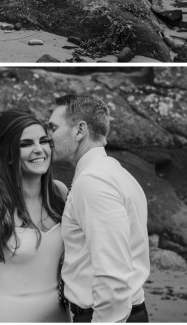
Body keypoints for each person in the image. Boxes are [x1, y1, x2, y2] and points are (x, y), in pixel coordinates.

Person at [47, 94, 150, 323]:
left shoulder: (93, 182)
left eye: (53, 128)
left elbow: (112, 274)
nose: (48, 137)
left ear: (79, 130)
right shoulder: (116, 174)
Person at [0, 110, 69, 322]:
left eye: (44, 141)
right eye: (26, 144)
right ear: (9, 154)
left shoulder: (60, 193)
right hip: (8, 315)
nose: (39, 150)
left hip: (59, 316)